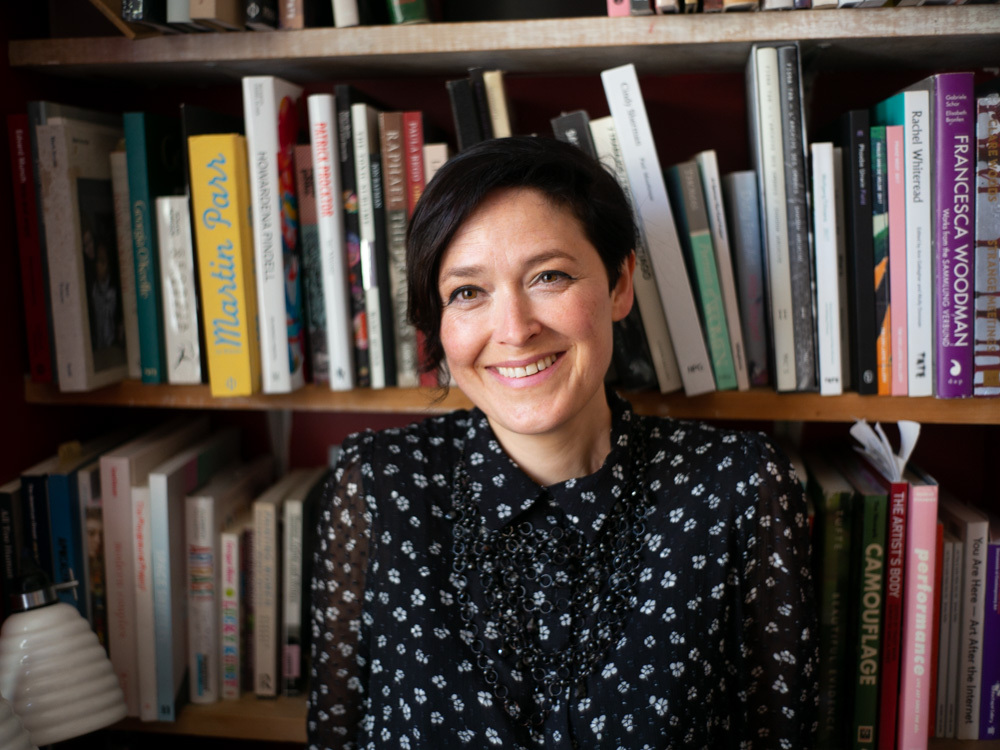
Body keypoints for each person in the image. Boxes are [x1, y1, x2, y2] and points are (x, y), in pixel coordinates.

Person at [308, 136, 818, 750]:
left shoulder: (738, 488)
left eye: (548, 276)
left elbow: (782, 737)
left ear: (620, 284)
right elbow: (334, 736)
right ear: (438, 324)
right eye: (468, 292)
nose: (516, 330)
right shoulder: (377, 487)